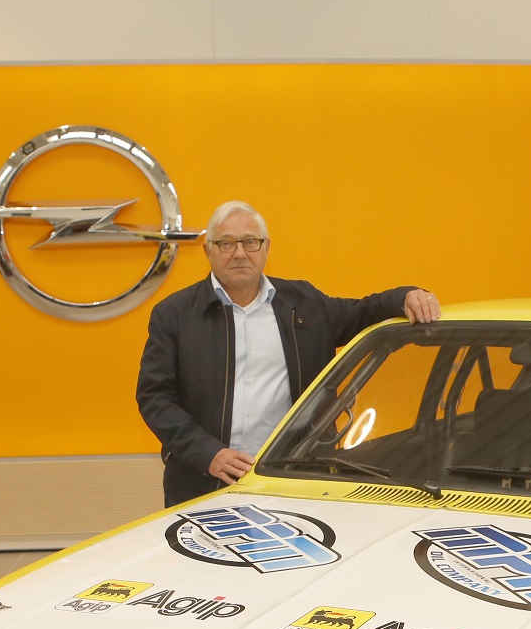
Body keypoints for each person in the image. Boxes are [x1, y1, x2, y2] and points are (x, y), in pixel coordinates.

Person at [137, 200, 442, 506]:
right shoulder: (174, 314)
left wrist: (405, 296)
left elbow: (362, 312)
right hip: (202, 482)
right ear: (208, 250)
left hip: (294, 480)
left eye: (250, 242)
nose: (240, 253)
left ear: (267, 247)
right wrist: (208, 454)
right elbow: (155, 398)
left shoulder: (303, 304)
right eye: (226, 243)